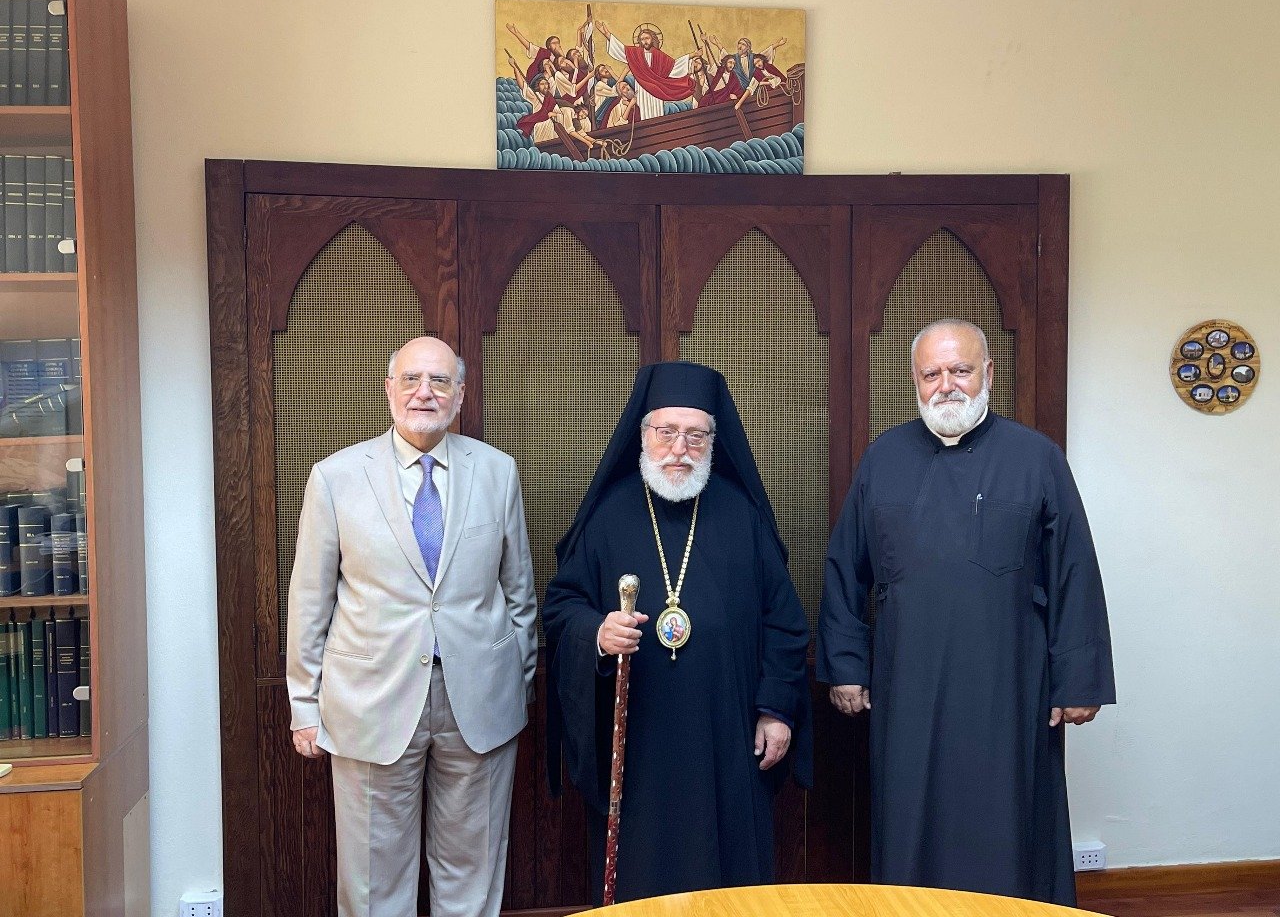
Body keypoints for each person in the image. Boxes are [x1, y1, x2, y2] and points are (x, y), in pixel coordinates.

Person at [817, 319, 1115, 907]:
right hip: (907, 688)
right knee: (910, 822)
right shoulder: (883, 459)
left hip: (1009, 688)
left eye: (960, 370)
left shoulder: (1036, 457)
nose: (946, 385)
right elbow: (845, 567)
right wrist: (846, 665)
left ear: (988, 374)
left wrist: (1078, 681)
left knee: (1007, 824)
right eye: (932, 373)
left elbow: (1074, 570)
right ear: (915, 381)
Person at [543, 361, 812, 904]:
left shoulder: (742, 515)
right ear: (643, 434)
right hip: (637, 738)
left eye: (695, 435)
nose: (679, 449)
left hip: (729, 733)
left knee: (729, 882)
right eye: (666, 432)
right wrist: (598, 633)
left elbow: (785, 622)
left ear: (714, 440)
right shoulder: (609, 514)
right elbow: (561, 606)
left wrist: (776, 710)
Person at [287, 336, 537, 917]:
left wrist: (514, 682)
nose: (425, 392)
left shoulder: (497, 472)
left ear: (461, 394)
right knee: (374, 882)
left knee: (473, 871)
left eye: (440, 381)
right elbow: (309, 601)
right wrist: (304, 704)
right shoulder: (335, 478)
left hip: (479, 702)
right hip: (369, 702)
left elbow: (519, 593)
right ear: (389, 389)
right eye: (411, 379)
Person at [586, 19, 694, 120]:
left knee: (658, 113)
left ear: (653, 39)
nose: (644, 41)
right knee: (644, 112)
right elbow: (622, 50)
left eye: (647, 38)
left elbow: (674, 66)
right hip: (641, 89)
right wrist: (607, 35)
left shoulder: (660, 56)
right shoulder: (636, 54)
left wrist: (692, 55)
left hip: (657, 90)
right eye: (642, 39)